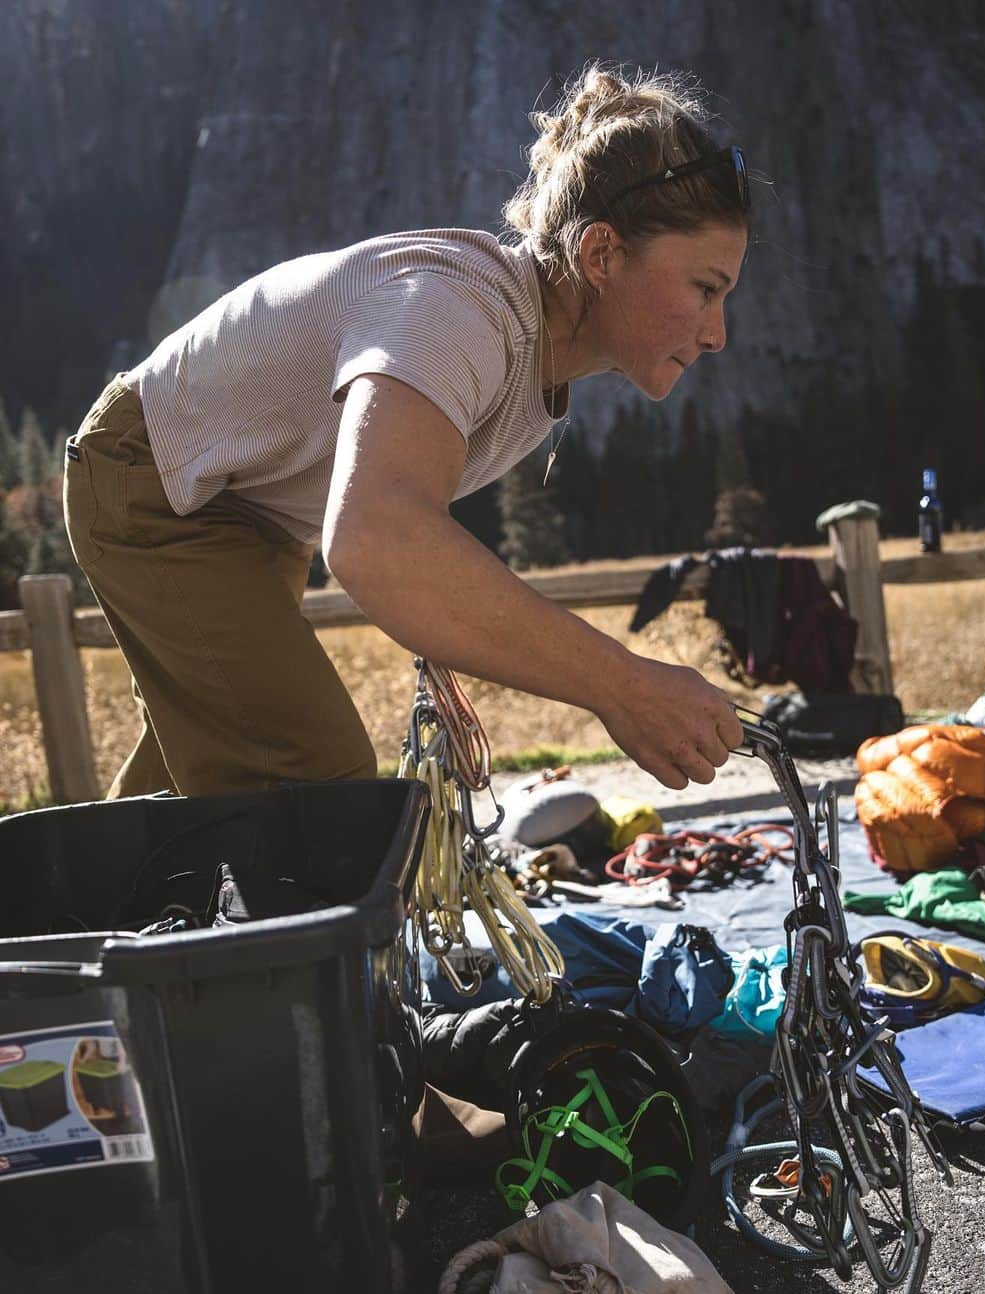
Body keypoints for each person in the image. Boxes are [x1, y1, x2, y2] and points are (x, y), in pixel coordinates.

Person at [63, 63, 750, 801]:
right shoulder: (457, 310)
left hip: (245, 514)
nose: (717, 334)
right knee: (313, 780)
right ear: (601, 255)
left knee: (198, 790)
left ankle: (76, 907)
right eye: (705, 289)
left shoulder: (529, 354)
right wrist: (626, 686)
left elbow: (404, 532)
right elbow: (375, 537)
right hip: (156, 481)